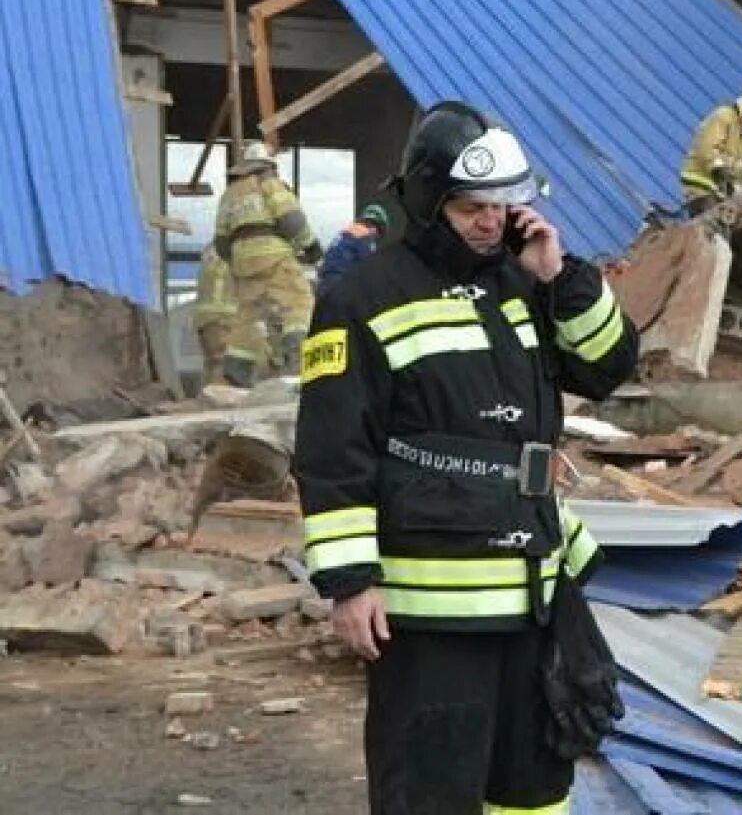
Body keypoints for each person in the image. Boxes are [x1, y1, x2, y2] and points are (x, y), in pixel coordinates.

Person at [293, 101, 639, 814]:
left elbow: (608, 367)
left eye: (504, 204)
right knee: (430, 794)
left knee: (534, 794)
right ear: (428, 200)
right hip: (430, 615)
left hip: (533, 596)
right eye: (471, 206)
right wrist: (350, 580)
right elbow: (332, 449)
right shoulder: (363, 298)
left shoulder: (524, 281)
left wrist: (561, 274)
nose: (491, 221)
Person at [214, 142, 321, 386]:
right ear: (268, 166)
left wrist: (240, 260)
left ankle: (237, 369)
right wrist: (313, 249)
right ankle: (296, 359)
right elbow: (292, 219)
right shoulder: (269, 184)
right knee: (299, 301)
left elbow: (221, 242)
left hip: (241, 261)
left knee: (248, 314)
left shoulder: (229, 196)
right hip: (273, 255)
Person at [679, 83, 742, 212]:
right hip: (701, 181)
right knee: (712, 219)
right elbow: (706, 148)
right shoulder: (723, 117)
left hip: (726, 191)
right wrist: (719, 170)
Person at [317, 203, 391, 297]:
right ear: (375, 227)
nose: (376, 238)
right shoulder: (365, 237)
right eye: (379, 233)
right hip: (340, 285)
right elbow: (369, 269)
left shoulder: (345, 232)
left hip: (324, 283)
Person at [191, 244, 237, 388]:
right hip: (221, 318)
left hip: (206, 320)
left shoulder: (211, 253)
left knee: (211, 363)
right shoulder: (230, 256)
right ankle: (217, 400)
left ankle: (206, 399)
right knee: (221, 362)